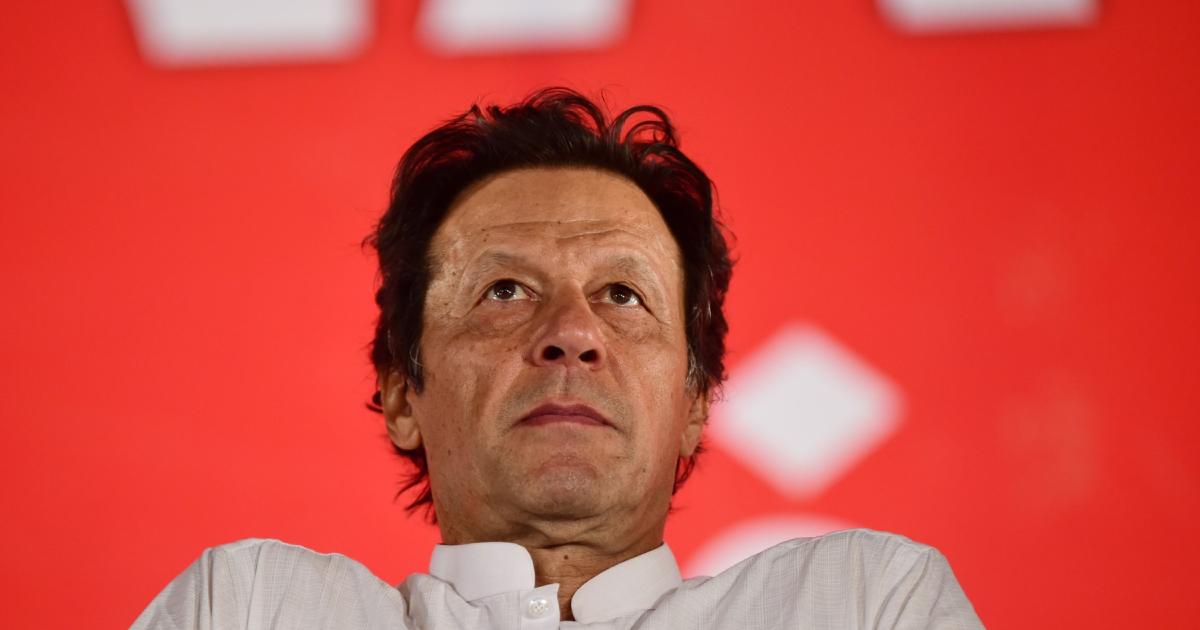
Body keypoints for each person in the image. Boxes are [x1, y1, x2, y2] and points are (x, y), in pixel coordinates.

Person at [133, 88, 983, 629]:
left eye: (624, 295)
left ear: (695, 401)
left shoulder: (862, 601)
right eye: (504, 290)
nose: (572, 333)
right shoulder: (253, 607)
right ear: (400, 392)